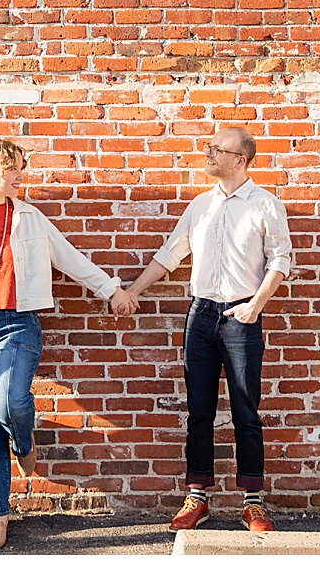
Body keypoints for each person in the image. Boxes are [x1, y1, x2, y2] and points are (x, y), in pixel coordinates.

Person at [0, 138, 135, 549]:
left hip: (19, 323)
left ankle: (25, 443)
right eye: (12, 169)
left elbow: (70, 258)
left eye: (22, 167)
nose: (21, 176)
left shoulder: (30, 217)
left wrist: (111, 289)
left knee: (9, 402)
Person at [119, 127, 291, 533]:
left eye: (218, 149)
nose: (208, 153)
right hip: (200, 318)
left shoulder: (266, 205)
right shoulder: (200, 205)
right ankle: (197, 496)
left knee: (246, 411)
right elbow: (170, 255)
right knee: (199, 411)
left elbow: (281, 260)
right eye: (210, 147)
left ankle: (253, 502)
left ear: (240, 160)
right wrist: (131, 291)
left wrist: (256, 305)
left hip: (241, 318)